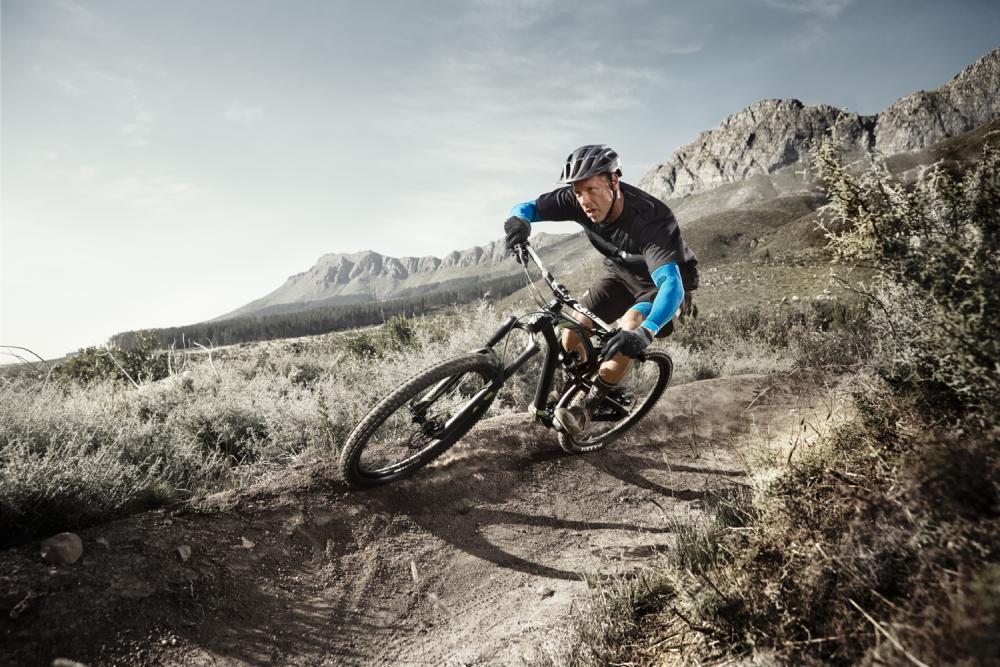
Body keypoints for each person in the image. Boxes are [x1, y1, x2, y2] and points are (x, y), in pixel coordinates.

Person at [503, 144, 698, 435]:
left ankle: (588, 408)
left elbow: (671, 284)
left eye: (592, 190)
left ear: (613, 181)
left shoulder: (651, 218)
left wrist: (646, 333)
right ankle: (578, 387)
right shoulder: (576, 198)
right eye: (578, 191)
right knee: (571, 331)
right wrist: (518, 223)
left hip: (660, 284)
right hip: (619, 275)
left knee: (631, 325)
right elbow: (525, 208)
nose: (584, 200)